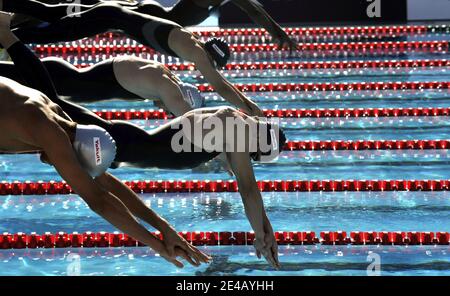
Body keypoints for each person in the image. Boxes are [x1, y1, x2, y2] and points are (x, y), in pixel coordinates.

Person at [0, 12, 283, 268]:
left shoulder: (229, 127)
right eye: (255, 155)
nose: (250, 159)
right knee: (51, 100)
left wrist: (265, 230)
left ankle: (8, 39)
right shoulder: (232, 126)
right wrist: (260, 235)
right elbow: (247, 188)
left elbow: (248, 185)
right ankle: (8, 36)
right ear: (258, 140)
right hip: (125, 143)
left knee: (51, 100)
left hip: (125, 141)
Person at [0, 0, 263, 116]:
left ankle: (9, 17)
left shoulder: (191, 42)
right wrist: (252, 108)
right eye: (213, 67)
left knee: (55, 16)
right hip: (110, 15)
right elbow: (219, 85)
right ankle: (6, 29)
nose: (208, 71)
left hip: (112, 14)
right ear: (212, 59)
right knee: (59, 28)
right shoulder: (196, 52)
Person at [38, 0, 298, 51]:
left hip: (156, 19)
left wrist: (279, 33)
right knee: (94, 14)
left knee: (98, 14)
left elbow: (256, 8)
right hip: (153, 18)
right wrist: (280, 34)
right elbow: (254, 10)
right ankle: (40, 12)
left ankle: (43, 12)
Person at [0, 55, 205, 116]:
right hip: (58, 80)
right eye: (171, 110)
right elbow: (191, 122)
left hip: (59, 77)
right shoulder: (165, 86)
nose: (165, 111)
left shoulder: (161, 74)